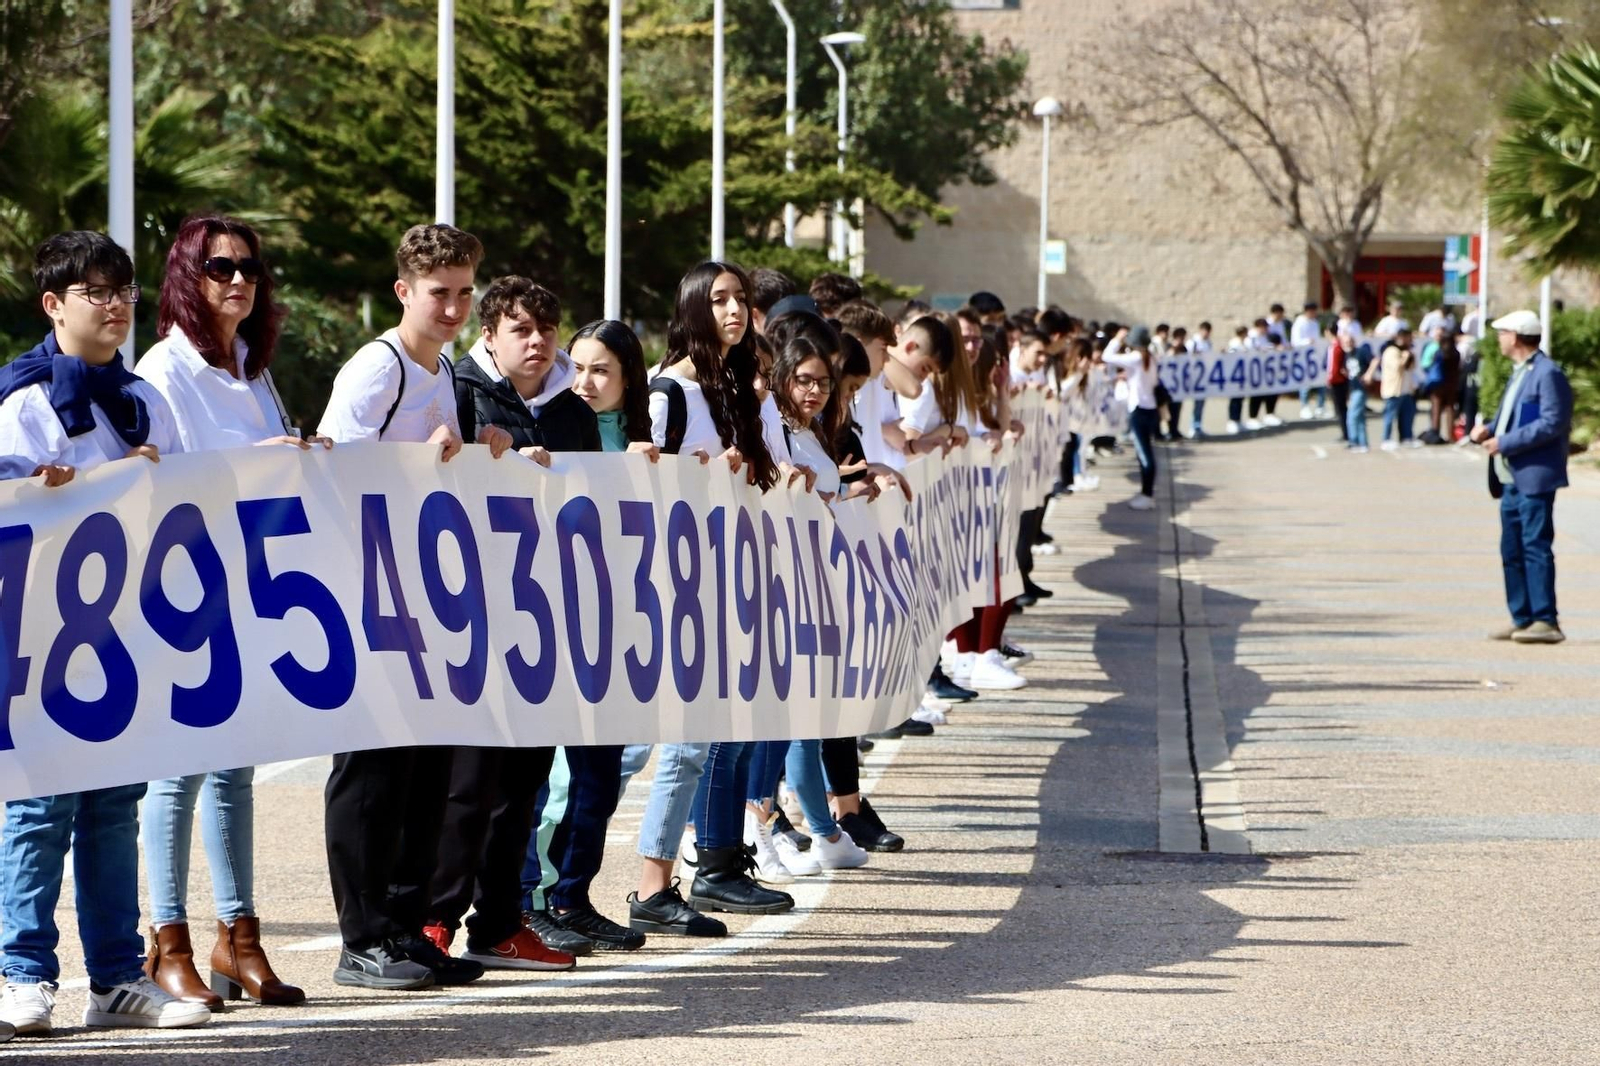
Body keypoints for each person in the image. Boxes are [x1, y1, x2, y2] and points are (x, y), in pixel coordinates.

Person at [0, 231, 208, 1033]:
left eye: (123, 291)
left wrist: (159, 479)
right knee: (39, 806)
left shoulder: (142, 400)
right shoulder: (23, 401)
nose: (116, 305)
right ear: (54, 305)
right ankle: (23, 974)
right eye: (96, 292)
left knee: (115, 807)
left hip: (126, 635)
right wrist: (40, 492)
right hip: (42, 641)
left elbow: (191, 505)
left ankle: (117, 980)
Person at [135, 216, 316, 1010]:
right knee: (177, 771)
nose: (238, 279)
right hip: (184, 584)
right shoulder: (164, 367)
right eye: (219, 267)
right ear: (188, 274)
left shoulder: (251, 367)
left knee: (236, 767)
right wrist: (258, 463)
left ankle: (238, 939)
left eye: (248, 267)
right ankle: (166, 941)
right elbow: (159, 479)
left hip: (249, 583)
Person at [316, 223, 503, 992]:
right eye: (439, 294)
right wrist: (418, 462)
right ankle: (361, 939)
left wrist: (482, 446)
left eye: (464, 293)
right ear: (403, 291)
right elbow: (333, 465)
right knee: (370, 771)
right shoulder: (379, 366)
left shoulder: (444, 370)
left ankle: (403, 925)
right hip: (368, 593)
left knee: (423, 771)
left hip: (425, 598)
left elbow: (438, 468)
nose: (454, 308)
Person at [419, 275, 592, 973]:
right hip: (471, 618)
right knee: (466, 786)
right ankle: (435, 919)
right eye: (521, 329)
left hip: (543, 620)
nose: (538, 341)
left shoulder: (573, 411)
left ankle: (499, 923)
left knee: (523, 785)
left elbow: (598, 503)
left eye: (546, 329)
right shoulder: (460, 391)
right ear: (489, 336)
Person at [622, 261, 789, 938]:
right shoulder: (668, 393)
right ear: (693, 307)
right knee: (624, 752)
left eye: (740, 299)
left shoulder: (738, 391)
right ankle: (542, 882)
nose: (733, 311)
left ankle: (652, 885)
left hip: (719, 590)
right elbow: (632, 488)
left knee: (691, 745)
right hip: (664, 592)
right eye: (718, 299)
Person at [515, 319, 661, 956]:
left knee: (599, 776)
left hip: (616, 626)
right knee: (539, 777)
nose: (585, 381)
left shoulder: (644, 440)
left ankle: (573, 896)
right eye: (577, 367)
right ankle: (527, 901)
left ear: (629, 379)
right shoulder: (553, 424)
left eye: (602, 370)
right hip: (552, 623)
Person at [1470, 310, 1573, 645]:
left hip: (1534, 477)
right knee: (1511, 550)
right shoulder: (1521, 372)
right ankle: (1522, 616)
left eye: (1502, 334)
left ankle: (1545, 619)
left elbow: (1552, 422)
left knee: (1535, 547)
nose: (1499, 340)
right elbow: (1514, 415)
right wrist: (1489, 428)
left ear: (1515, 337)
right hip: (1511, 478)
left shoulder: (1547, 373)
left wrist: (1505, 442)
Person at [1104, 335, 1160, 509]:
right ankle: (1146, 492)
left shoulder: (1136, 357)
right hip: (1150, 407)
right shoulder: (1150, 357)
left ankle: (1147, 495)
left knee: (1144, 454)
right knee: (1146, 452)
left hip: (1139, 408)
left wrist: (1117, 339)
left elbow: (1107, 356)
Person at [1375, 328, 1418, 451]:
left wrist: (1410, 357)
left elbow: (1411, 368)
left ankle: (1406, 437)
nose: (1410, 341)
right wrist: (1405, 357)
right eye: (1408, 338)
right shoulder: (1391, 351)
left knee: (1407, 415)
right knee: (1390, 415)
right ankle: (1386, 439)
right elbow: (1397, 367)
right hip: (1393, 390)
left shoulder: (1406, 351)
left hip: (1406, 390)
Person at [1293, 301, 1325, 419]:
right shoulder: (1299, 323)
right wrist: (1307, 341)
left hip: (1315, 357)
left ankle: (1320, 407)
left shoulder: (1315, 323)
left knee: (1321, 382)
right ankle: (1304, 407)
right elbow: (1295, 341)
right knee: (1305, 383)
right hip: (1303, 357)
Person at [1188, 321, 1213, 438]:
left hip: (1203, 377)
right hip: (1194, 376)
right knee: (1196, 403)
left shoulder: (1208, 343)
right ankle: (1192, 427)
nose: (1206, 333)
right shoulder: (1193, 342)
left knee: (1201, 403)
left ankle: (1197, 426)